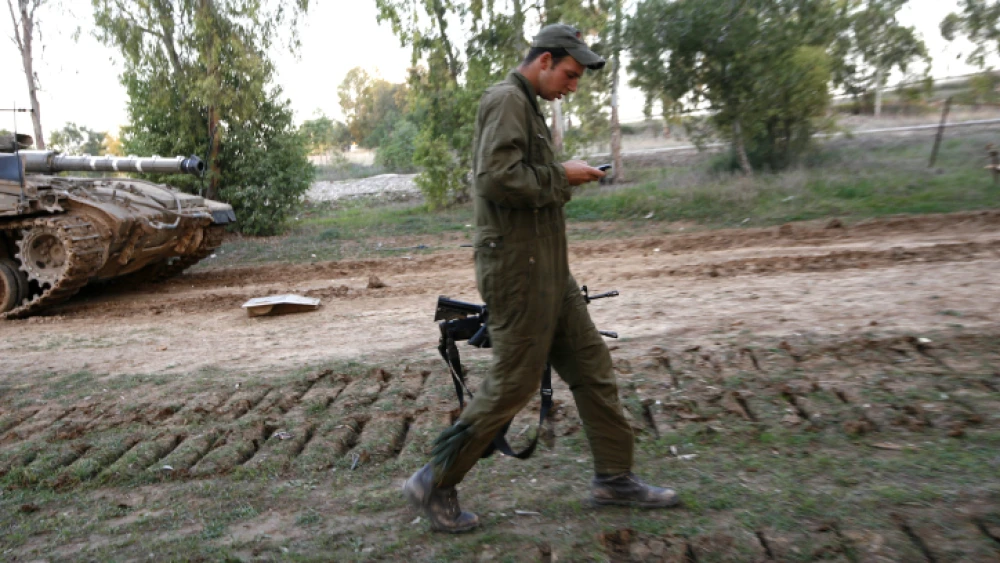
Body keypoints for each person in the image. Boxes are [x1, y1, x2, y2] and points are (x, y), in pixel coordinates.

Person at [403, 23, 679, 533]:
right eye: (570, 74)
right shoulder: (506, 99)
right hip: (519, 273)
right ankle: (434, 481)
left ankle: (614, 478)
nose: (573, 85)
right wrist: (562, 175)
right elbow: (494, 178)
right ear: (545, 60)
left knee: (593, 369)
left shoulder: (527, 104)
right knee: (515, 381)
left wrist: (561, 176)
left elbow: (522, 179)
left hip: (550, 270)